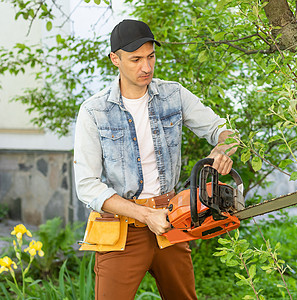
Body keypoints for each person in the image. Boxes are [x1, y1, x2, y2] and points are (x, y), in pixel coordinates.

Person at [73, 19, 237, 300]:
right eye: (135, 59)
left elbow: (224, 131)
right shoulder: (94, 111)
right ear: (115, 59)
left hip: (171, 221)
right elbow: (88, 186)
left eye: (150, 57)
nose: (146, 67)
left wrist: (222, 149)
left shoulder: (174, 95)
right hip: (121, 229)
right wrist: (146, 215)